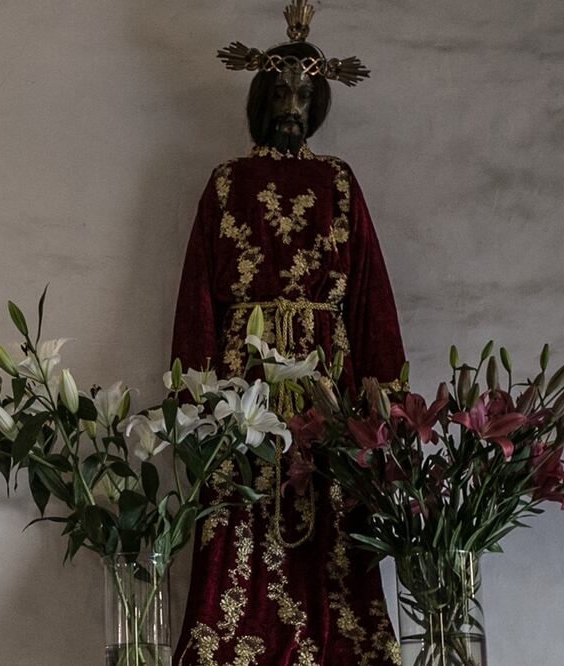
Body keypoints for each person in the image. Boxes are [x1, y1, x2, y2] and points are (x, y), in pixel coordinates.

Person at [172, 3, 404, 665]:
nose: (291, 107)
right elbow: (197, 292)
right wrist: (192, 391)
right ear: (259, 99)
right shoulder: (225, 183)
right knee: (243, 498)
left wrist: (380, 393)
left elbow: (367, 290)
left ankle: (338, 645)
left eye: (304, 95)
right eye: (280, 93)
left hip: (324, 379)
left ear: (320, 102)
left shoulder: (336, 180)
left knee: (330, 503)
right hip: (242, 379)